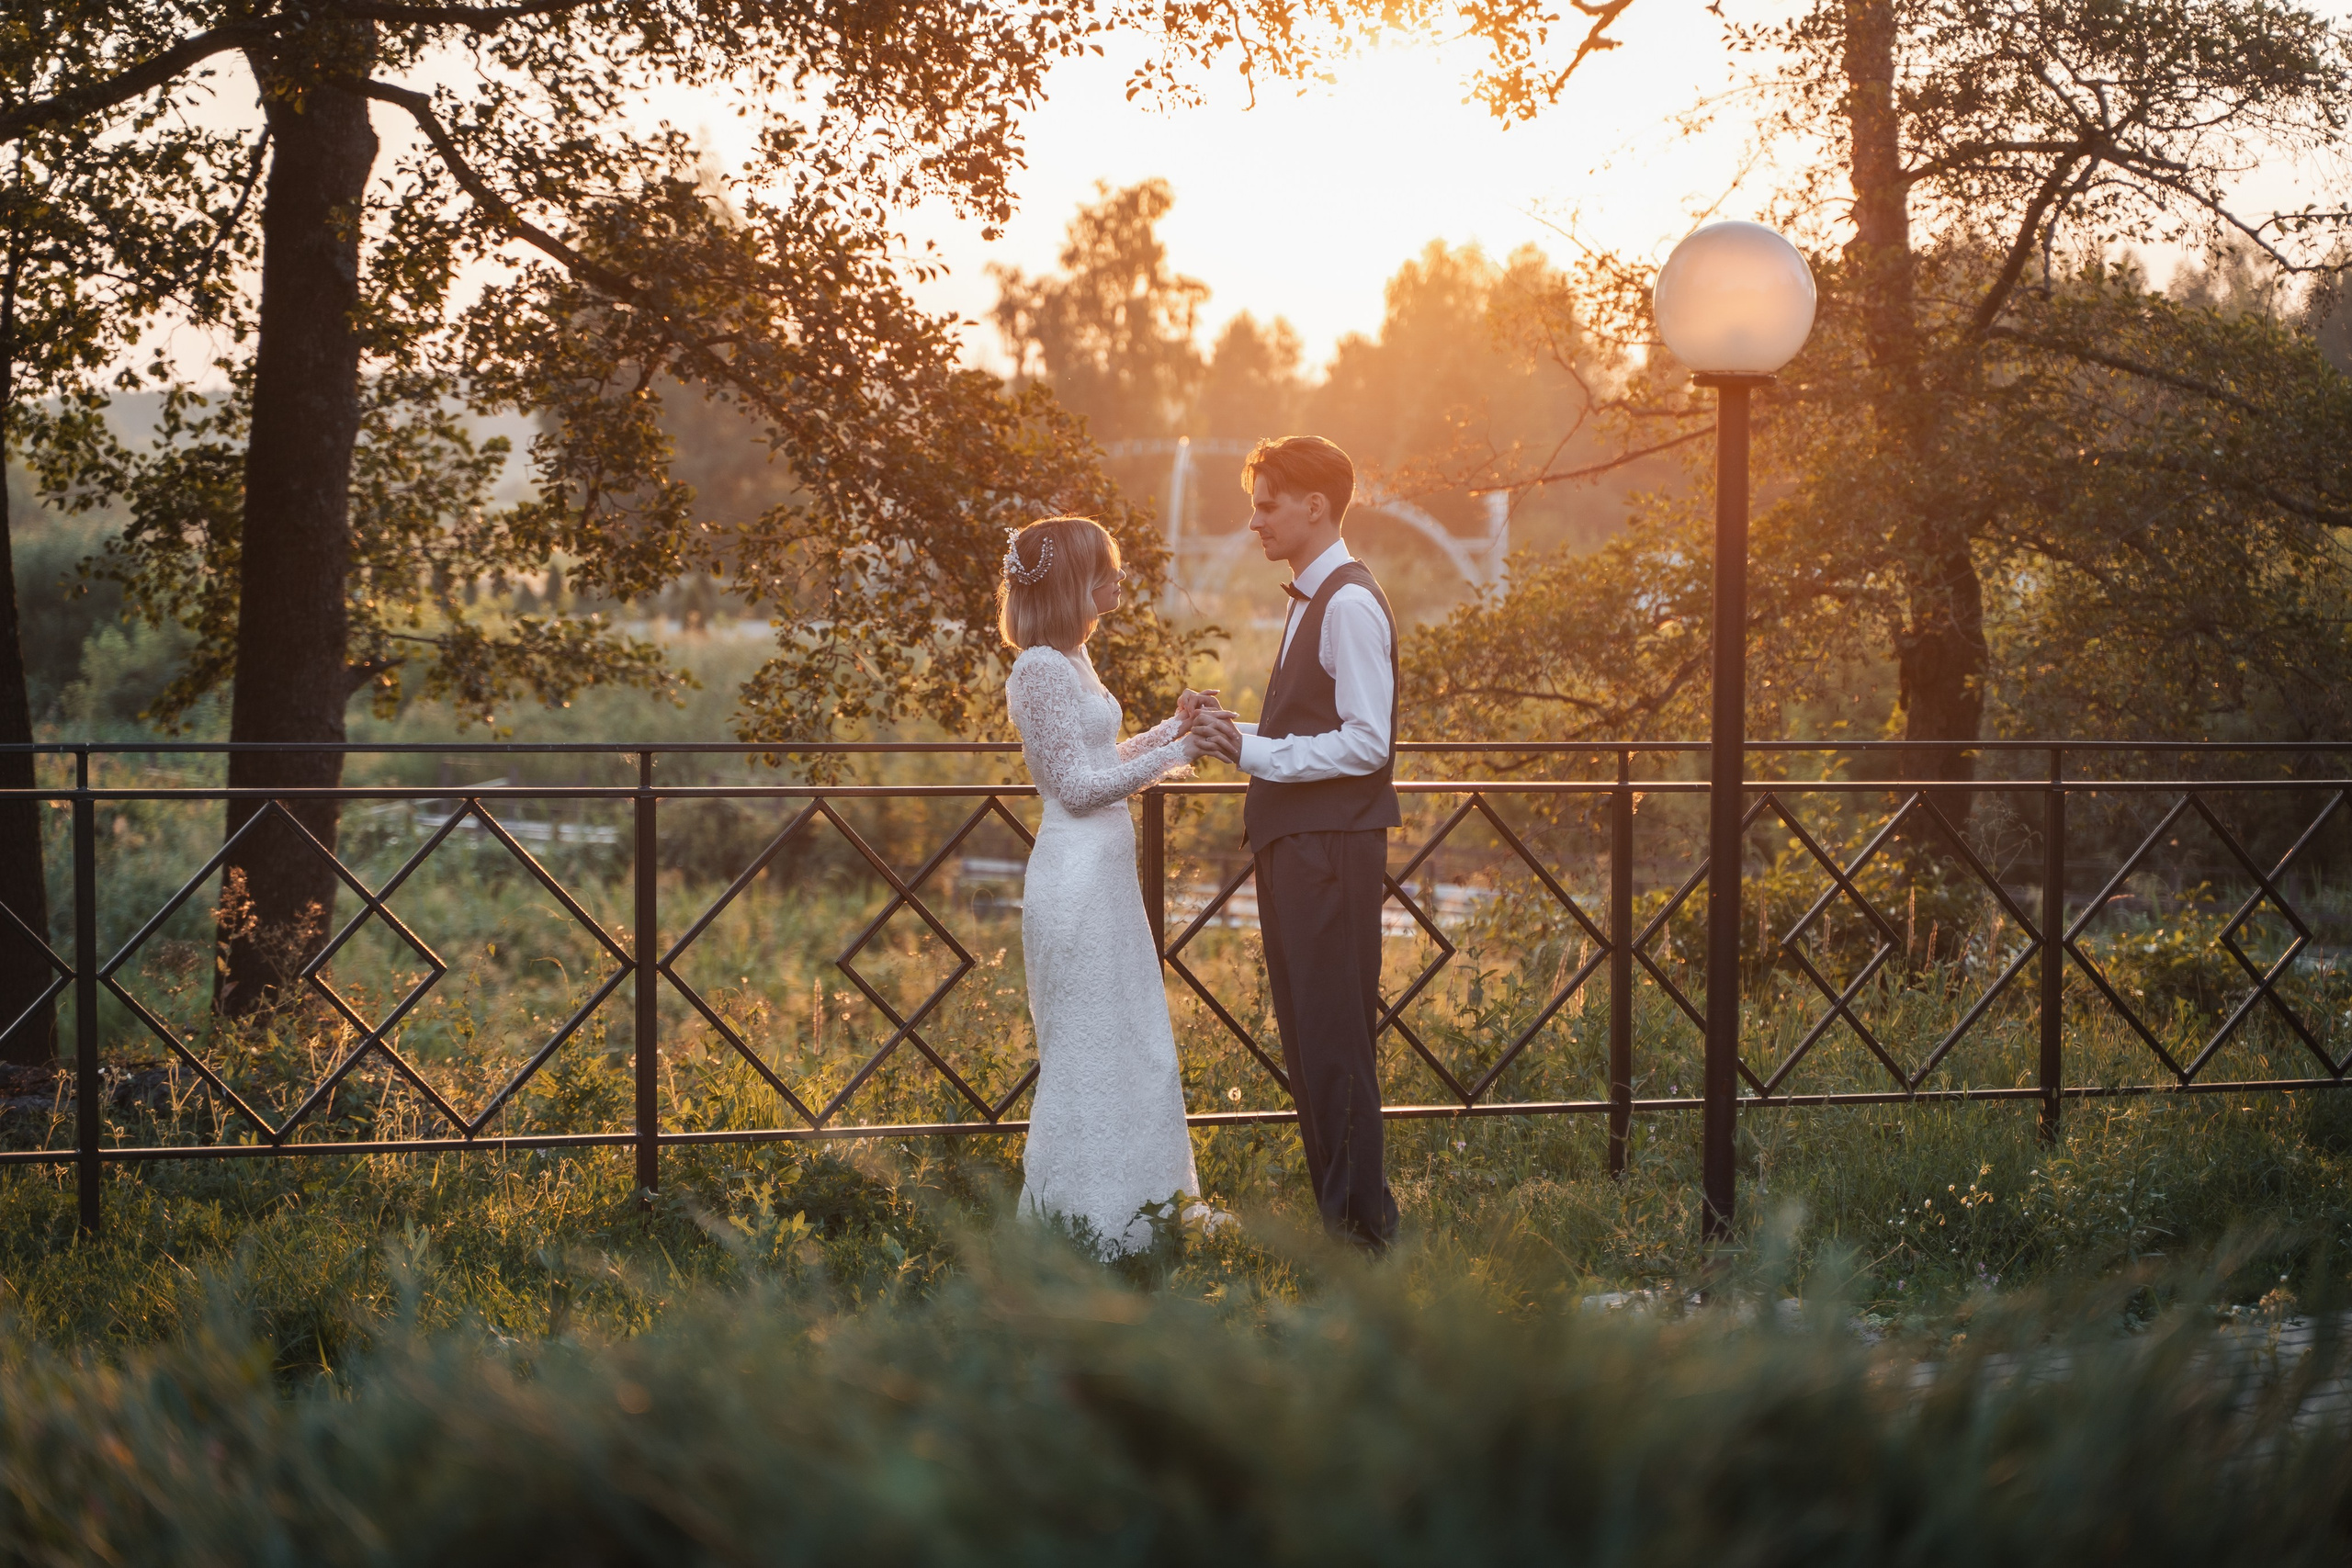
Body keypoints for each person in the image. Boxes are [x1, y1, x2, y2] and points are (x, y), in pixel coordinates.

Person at [1190, 435, 1401, 1249]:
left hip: (1330, 849)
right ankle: (1347, 1225)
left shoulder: (1346, 602)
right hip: (1300, 844)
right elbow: (1304, 729)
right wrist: (1226, 729)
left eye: (1267, 503)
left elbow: (1365, 743)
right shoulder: (1310, 598)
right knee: (1312, 1042)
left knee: (1335, 1043)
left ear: (1315, 506)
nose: (1254, 522)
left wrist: (1252, 751)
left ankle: (1362, 1236)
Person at [1000, 515, 1227, 1255]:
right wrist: (1180, 753)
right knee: (1088, 1047)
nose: (1121, 580)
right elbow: (1074, 785)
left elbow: (1101, 752)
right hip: (1075, 878)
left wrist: (1171, 729)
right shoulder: (1037, 666)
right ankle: (1090, 1224)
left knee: (1132, 1040)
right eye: (1109, 568)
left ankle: (1147, 1208)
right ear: (1075, 581)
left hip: (1105, 878)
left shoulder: (1073, 658)